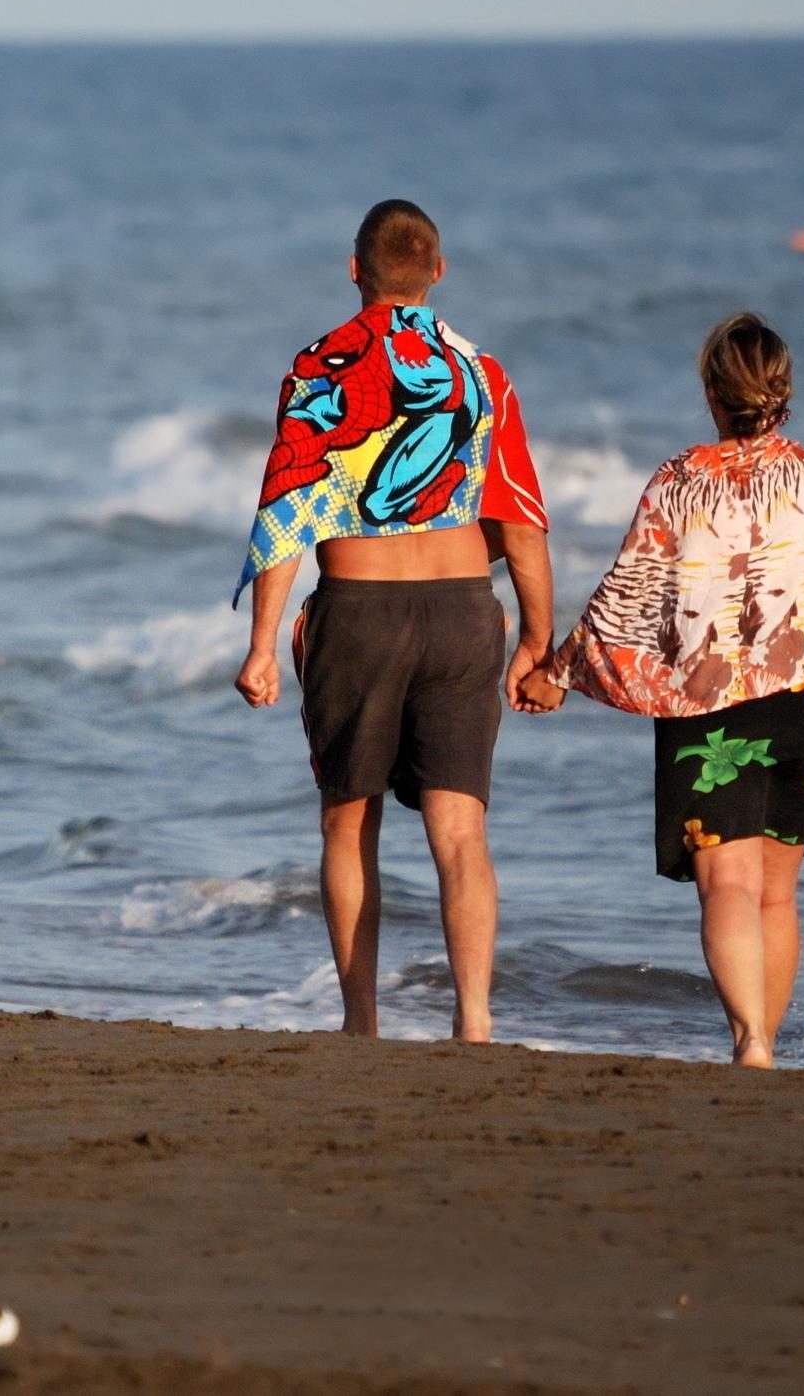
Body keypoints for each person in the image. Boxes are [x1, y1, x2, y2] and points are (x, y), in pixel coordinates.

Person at [523, 312, 804, 1068]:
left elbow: (626, 596)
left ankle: (750, 1041)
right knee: (775, 893)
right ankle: (765, 1047)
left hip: (707, 706)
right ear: (783, 391)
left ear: (714, 394)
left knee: (726, 882)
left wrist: (556, 673)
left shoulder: (682, 480)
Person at [233, 200, 552, 1041]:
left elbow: (287, 510)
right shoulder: (481, 373)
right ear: (437, 272)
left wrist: (263, 644)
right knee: (460, 828)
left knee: (349, 818)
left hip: (358, 613)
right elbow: (521, 518)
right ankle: (474, 1020)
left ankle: (361, 1019)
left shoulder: (320, 368)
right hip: (460, 612)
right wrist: (536, 640)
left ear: (354, 269)